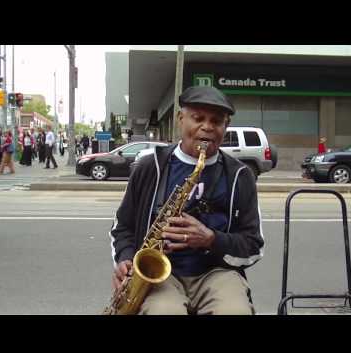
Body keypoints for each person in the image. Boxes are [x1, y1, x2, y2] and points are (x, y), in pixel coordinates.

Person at [109, 86, 265, 315]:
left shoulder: (240, 176)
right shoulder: (149, 167)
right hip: (162, 277)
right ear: (180, 119)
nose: (208, 127)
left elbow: (253, 246)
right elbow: (122, 227)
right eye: (198, 118)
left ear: (225, 127)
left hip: (217, 273)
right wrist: (125, 259)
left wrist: (211, 239)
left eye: (217, 121)